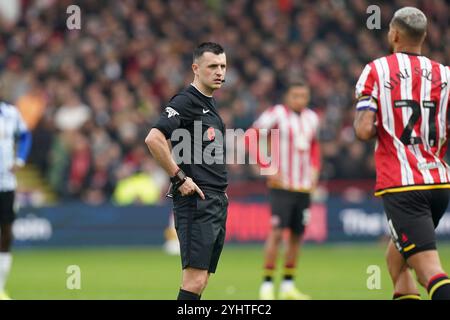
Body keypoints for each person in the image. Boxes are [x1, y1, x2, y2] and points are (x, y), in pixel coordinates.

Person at [354, 7, 450, 300]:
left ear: (394, 34)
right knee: (396, 262)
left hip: (402, 185)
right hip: (438, 184)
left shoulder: (377, 70)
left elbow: (364, 130)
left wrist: (370, 117)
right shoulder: (445, 74)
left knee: (430, 271)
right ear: (424, 36)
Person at [145, 42, 228, 300]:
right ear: (196, 68)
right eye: (212, 66)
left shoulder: (209, 105)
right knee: (193, 280)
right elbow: (154, 138)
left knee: (201, 281)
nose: (219, 72)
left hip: (215, 200)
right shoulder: (186, 101)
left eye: (223, 66)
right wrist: (179, 177)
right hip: (196, 202)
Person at [249, 81, 320, 300]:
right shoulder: (276, 114)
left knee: (297, 236)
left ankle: (288, 285)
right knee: (277, 233)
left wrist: (315, 170)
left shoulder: (312, 118)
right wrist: (266, 167)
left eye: (304, 95)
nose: (300, 99)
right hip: (282, 186)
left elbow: (315, 146)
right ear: (287, 97)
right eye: (296, 95)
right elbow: (251, 136)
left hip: (303, 186)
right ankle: (267, 286)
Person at [0, 101, 32, 300]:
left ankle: (0, 288)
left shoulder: (10, 113)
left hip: (6, 183)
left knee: (6, 234)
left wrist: (20, 159)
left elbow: (25, 135)